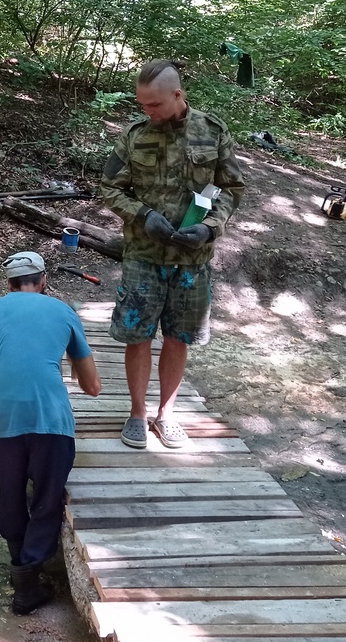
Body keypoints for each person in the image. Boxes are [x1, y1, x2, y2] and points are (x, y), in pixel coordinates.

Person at [98, 59, 245, 450]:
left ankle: (166, 413)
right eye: (142, 105)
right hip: (143, 255)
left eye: (155, 105)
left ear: (178, 95)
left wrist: (211, 227)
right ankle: (137, 414)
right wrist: (143, 214)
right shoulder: (133, 135)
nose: (148, 112)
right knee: (138, 336)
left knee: (179, 338)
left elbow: (231, 188)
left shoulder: (212, 132)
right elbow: (110, 188)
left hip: (192, 261)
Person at [0, 251, 101, 614]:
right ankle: (28, 580)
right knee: (47, 496)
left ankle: (20, 566)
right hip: (51, 423)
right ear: (43, 281)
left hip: (3, 420)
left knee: (11, 492)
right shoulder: (62, 312)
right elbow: (93, 387)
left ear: (8, 284)